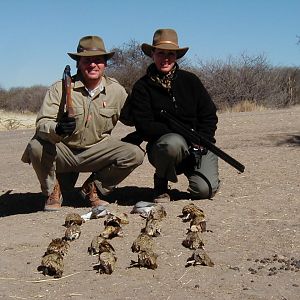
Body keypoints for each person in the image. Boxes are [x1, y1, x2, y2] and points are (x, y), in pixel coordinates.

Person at [21, 35, 144, 211]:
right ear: (78, 63)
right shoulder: (59, 88)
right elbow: (42, 123)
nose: (92, 64)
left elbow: (132, 118)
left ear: (105, 63)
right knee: (36, 146)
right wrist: (57, 128)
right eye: (87, 60)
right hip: (64, 151)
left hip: (97, 151)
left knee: (134, 153)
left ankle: (93, 188)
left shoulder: (117, 91)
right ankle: (52, 190)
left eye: (98, 60)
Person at [129, 28, 219, 203]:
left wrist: (202, 138)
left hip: (197, 146)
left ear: (177, 56)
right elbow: (144, 125)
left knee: (204, 191)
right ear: (152, 54)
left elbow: (209, 115)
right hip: (165, 148)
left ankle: (202, 175)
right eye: (160, 53)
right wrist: (180, 133)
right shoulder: (142, 86)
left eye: (171, 54)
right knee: (173, 142)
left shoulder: (191, 80)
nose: (165, 58)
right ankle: (161, 182)